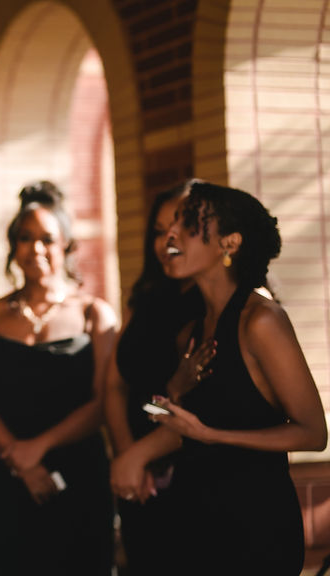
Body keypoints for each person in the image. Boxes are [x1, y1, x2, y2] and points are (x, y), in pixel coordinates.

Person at [119, 181, 327, 575]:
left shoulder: (261, 321)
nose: (171, 235)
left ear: (228, 244)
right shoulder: (191, 332)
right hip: (195, 522)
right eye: (170, 225)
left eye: (189, 224)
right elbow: (161, 416)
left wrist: (214, 436)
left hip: (256, 527)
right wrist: (174, 388)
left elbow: (314, 434)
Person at [0, 181, 118, 576]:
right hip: (5, 469)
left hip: (78, 472)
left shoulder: (94, 315)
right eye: (25, 238)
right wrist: (20, 460)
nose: (35, 248)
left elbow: (103, 401)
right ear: (13, 247)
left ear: (66, 245)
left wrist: (38, 447)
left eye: (47, 239)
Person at [103, 179, 204, 575]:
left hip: (195, 474)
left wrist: (139, 455)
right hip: (138, 479)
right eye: (159, 232)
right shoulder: (146, 297)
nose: (168, 241)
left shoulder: (219, 305)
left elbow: (213, 405)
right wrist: (129, 454)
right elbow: (115, 386)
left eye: (180, 228)